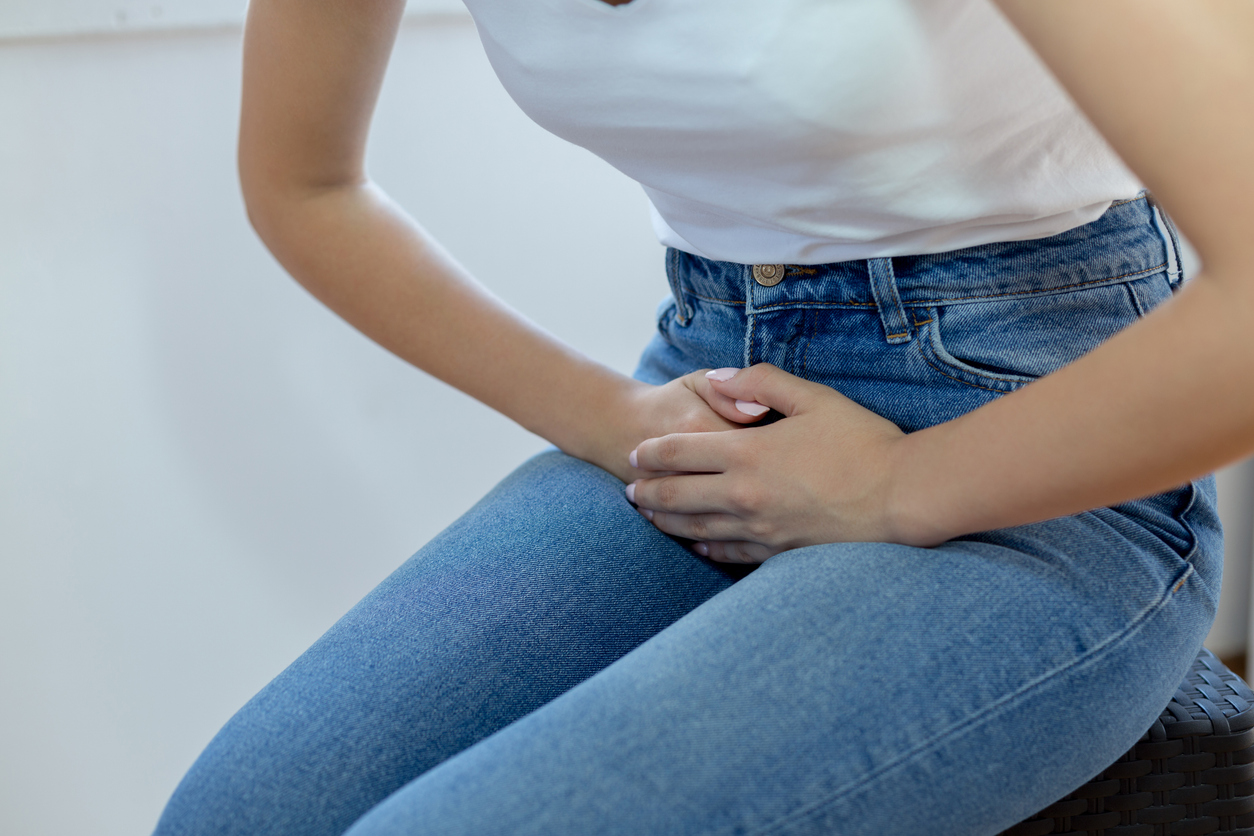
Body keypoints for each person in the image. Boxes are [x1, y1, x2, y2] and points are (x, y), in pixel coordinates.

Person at [153, 0, 1254, 834]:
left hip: (1036, 426)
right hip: (714, 375)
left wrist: (896, 488)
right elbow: (304, 183)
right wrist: (611, 413)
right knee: (237, 819)